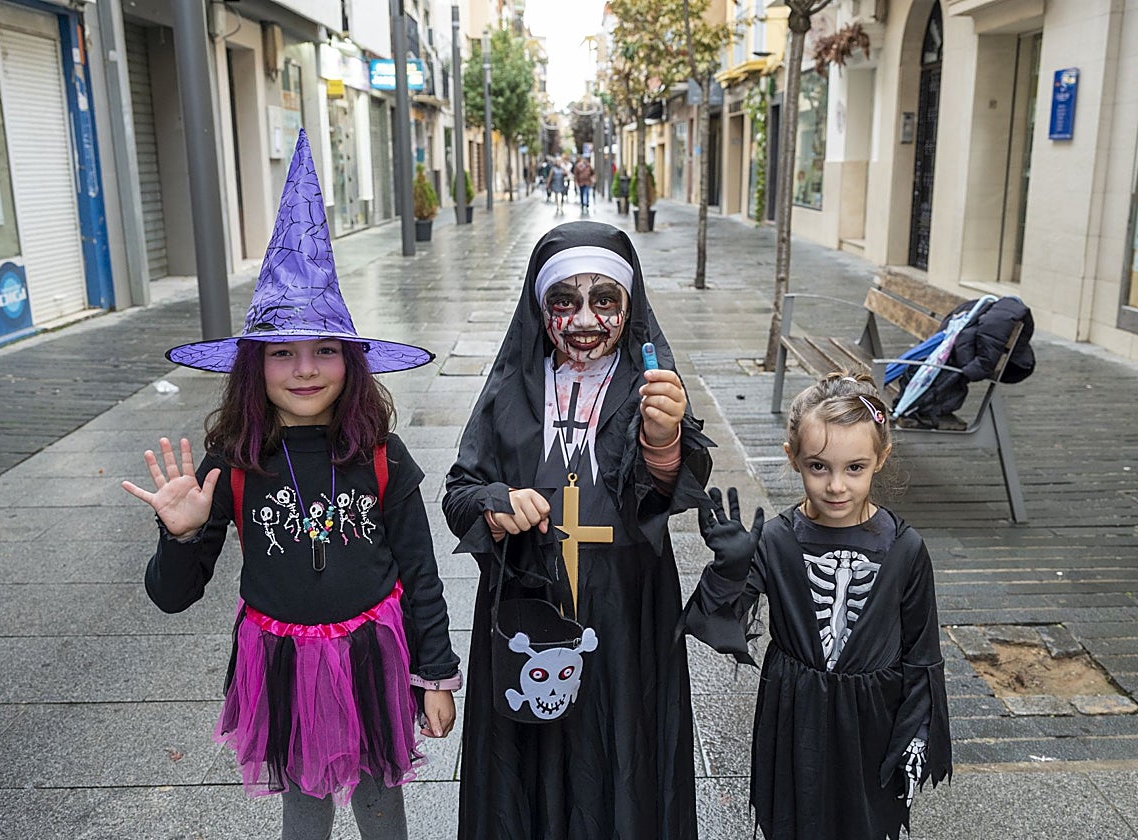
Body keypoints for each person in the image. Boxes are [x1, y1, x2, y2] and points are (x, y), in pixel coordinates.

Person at [122, 130, 461, 840]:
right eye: (282, 352)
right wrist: (178, 535)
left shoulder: (379, 454)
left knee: (380, 799)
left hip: (373, 656)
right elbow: (171, 595)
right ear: (253, 366)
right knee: (303, 806)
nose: (305, 369)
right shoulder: (231, 459)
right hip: (280, 663)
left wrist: (435, 673)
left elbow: (421, 570)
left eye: (324, 350)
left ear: (351, 361)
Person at [444, 221, 715, 839]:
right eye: (564, 300)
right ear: (541, 309)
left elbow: (668, 495)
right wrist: (493, 502)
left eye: (605, 299)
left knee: (621, 749)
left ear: (630, 306)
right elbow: (457, 492)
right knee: (528, 762)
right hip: (526, 615)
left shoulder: (650, 390)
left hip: (625, 612)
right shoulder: (513, 388)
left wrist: (664, 441)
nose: (585, 318)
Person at [684, 371, 952, 840]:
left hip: (874, 717)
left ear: (880, 459)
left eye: (855, 468)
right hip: (795, 713)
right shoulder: (776, 539)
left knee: (865, 822)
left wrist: (916, 733)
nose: (836, 487)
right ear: (793, 459)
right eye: (818, 467)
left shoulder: (906, 549)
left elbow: (923, 654)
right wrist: (728, 568)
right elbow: (717, 621)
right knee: (792, 818)